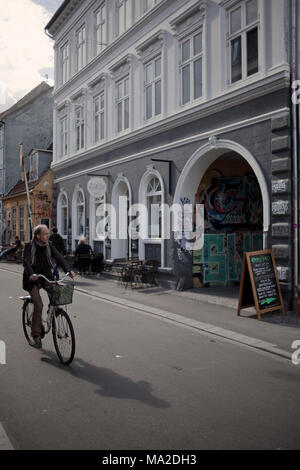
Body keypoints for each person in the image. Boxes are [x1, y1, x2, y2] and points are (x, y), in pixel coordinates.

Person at [23, 224, 74, 349]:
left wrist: (68, 269)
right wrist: (31, 273)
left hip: (46, 276)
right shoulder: (29, 246)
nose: (47, 235)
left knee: (56, 295)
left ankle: (50, 313)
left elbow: (59, 257)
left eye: (48, 233)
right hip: (32, 279)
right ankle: (36, 336)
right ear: (38, 236)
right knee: (38, 304)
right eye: (45, 234)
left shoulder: (49, 245)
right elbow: (26, 261)